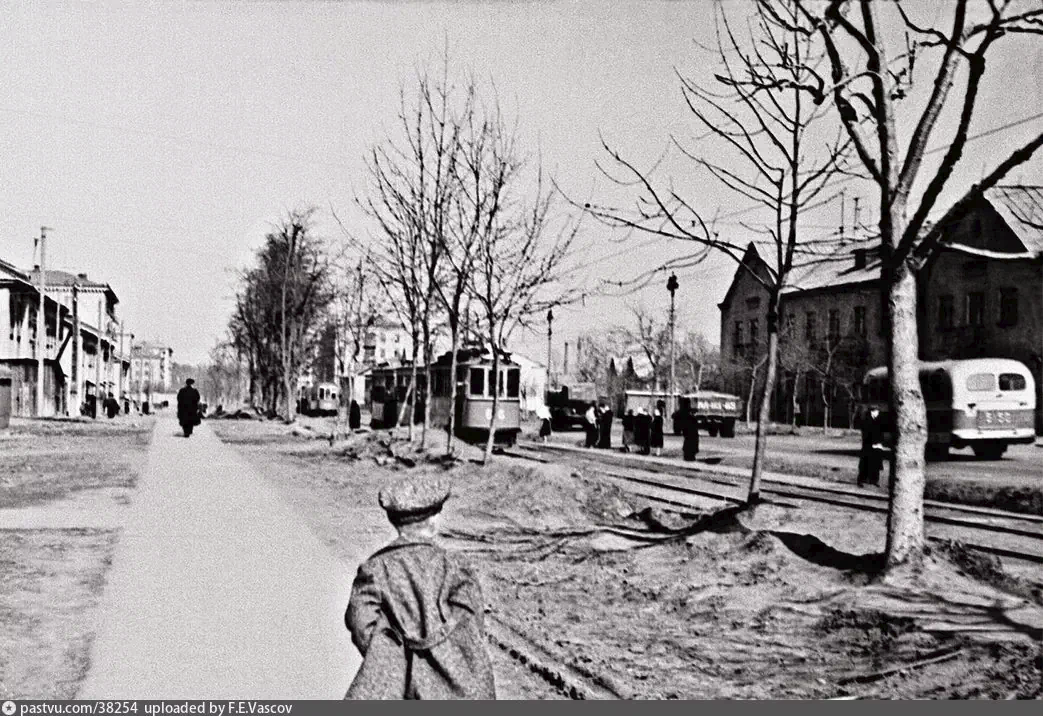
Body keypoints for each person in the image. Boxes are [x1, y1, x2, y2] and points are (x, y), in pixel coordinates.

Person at [345, 477, 496, 700]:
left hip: (399, 685)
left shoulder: (375, 568)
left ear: (393, 521)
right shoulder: (456, 566)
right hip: (456, 681)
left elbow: (360, 621)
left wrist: (389, 655)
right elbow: (473, 622)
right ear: (434, 521)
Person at [857, 407, 885, 487]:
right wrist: (872, 442)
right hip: (868, 445)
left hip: (877, 445)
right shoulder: (866, 420)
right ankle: (861, 480)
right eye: (876, 411)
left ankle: (874, 480)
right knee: (865, 464)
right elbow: (866, 433)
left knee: (876, 464)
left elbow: (881, 432)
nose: (878, 413)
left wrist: (880, 442)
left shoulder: (879, 419)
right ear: (872, 411)